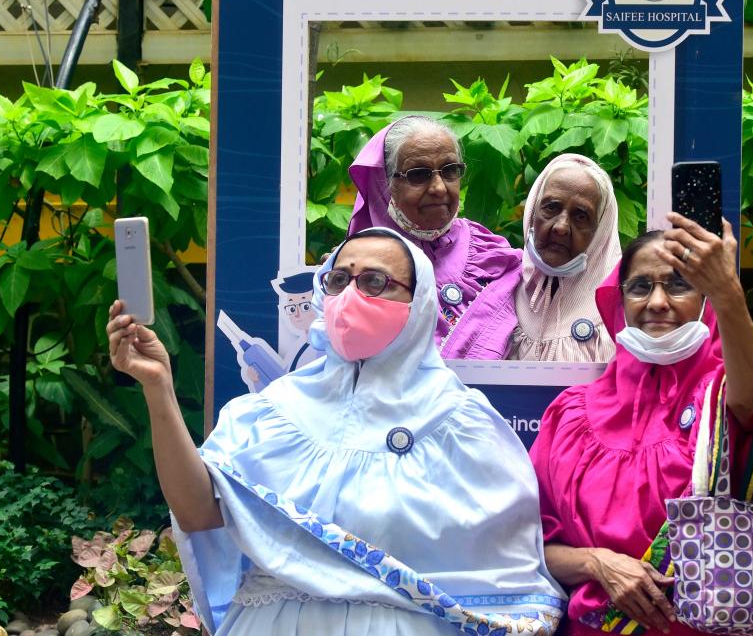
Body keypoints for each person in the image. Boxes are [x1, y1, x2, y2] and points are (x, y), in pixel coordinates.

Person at [106, 227, 566, 636]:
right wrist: (158, 388)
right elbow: (197, 514)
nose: (350, 294)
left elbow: (506, 572)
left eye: (375, 282)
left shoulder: (462, 421)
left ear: (419, 301)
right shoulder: (268, 411)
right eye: (339, 279)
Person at [528, 214, 753, 636]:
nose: (657, 301)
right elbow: (530, 545)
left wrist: (729, 292)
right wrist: (597, 563)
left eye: (678, 284)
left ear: (706, 298)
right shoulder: (571, 414)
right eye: (641, 287)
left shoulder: (724, 393)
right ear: (619, 300)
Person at [348, 115, 521, 359]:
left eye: (450, 171)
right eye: (418, 174)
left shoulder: (488, 250)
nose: (439, 188)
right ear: (383, 183)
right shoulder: (352, 269)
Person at [508, 153, 621, 362]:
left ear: (601, 230)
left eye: (581, 216)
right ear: (532, 213)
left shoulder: (623, 309)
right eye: (551, 207)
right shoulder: (500, 289)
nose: (561, 227)